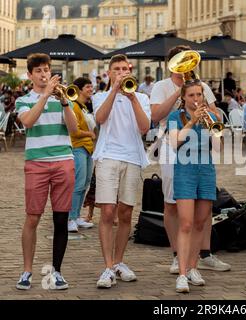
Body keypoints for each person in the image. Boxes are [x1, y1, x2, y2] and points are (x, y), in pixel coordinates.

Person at [150, 45, 230, 276]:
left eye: (189, 61)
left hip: (199, 147)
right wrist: (180, 93)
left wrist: (205, 109)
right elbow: (155, 116)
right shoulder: (161, 86)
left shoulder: (202, 86)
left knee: (203, 202)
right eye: (181, 62)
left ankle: (204, 253)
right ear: (172, 64)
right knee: (172, 203)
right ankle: (177, 255)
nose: (188, 66)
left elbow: (215, 114)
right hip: (171, 143)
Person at [15, 53, 78, 290]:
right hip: (37, 163)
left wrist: (63, 102)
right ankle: (27, 270)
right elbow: (29, 121)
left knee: (61, 219)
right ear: (30, 74)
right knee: (33, 217)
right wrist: (44, 95)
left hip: (64, 161)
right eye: (39, 71)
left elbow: (73, 129)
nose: (44, 74)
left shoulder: (63, 97)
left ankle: (58, 271)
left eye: (47, 69)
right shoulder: (24, 100)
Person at [92, 54, 151, 288]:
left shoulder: (142, 97)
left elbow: (144, 127)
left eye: (124, 69)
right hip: (108, 157)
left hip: (133, 157)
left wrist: (132, 97)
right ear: (109, 72)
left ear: (130, 70)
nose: (121, 72)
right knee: (107, 211)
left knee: (126, 213)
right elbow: (100, 118)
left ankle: (119, 261)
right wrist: (114, 91)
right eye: (116, 69)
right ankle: (107, 267)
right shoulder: (100, 96)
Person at [167, 79, 222, 292]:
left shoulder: (211, 117)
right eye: (191, 95)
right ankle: (181, 274)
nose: (196, 99)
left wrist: (213, 124)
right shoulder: (176, 117)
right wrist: (191, 122)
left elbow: (218, 148)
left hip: (206, 169)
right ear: (183, 97)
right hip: (185, 170)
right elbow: (175, 143)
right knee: (186, 223)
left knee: (200, 222)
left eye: (199, 94)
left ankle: (192, 268)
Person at [68, 77, 96, 232]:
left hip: (87, 149)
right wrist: (89, 134)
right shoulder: (74, 106)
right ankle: (70, 218)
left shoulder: (84, 106)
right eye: (88, 87)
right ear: (79, 89)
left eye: (91, 87)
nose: (91, 89)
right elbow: (74, 131)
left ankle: (77, 216)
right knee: (78, 184)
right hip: (78, 147)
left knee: (84, 185)